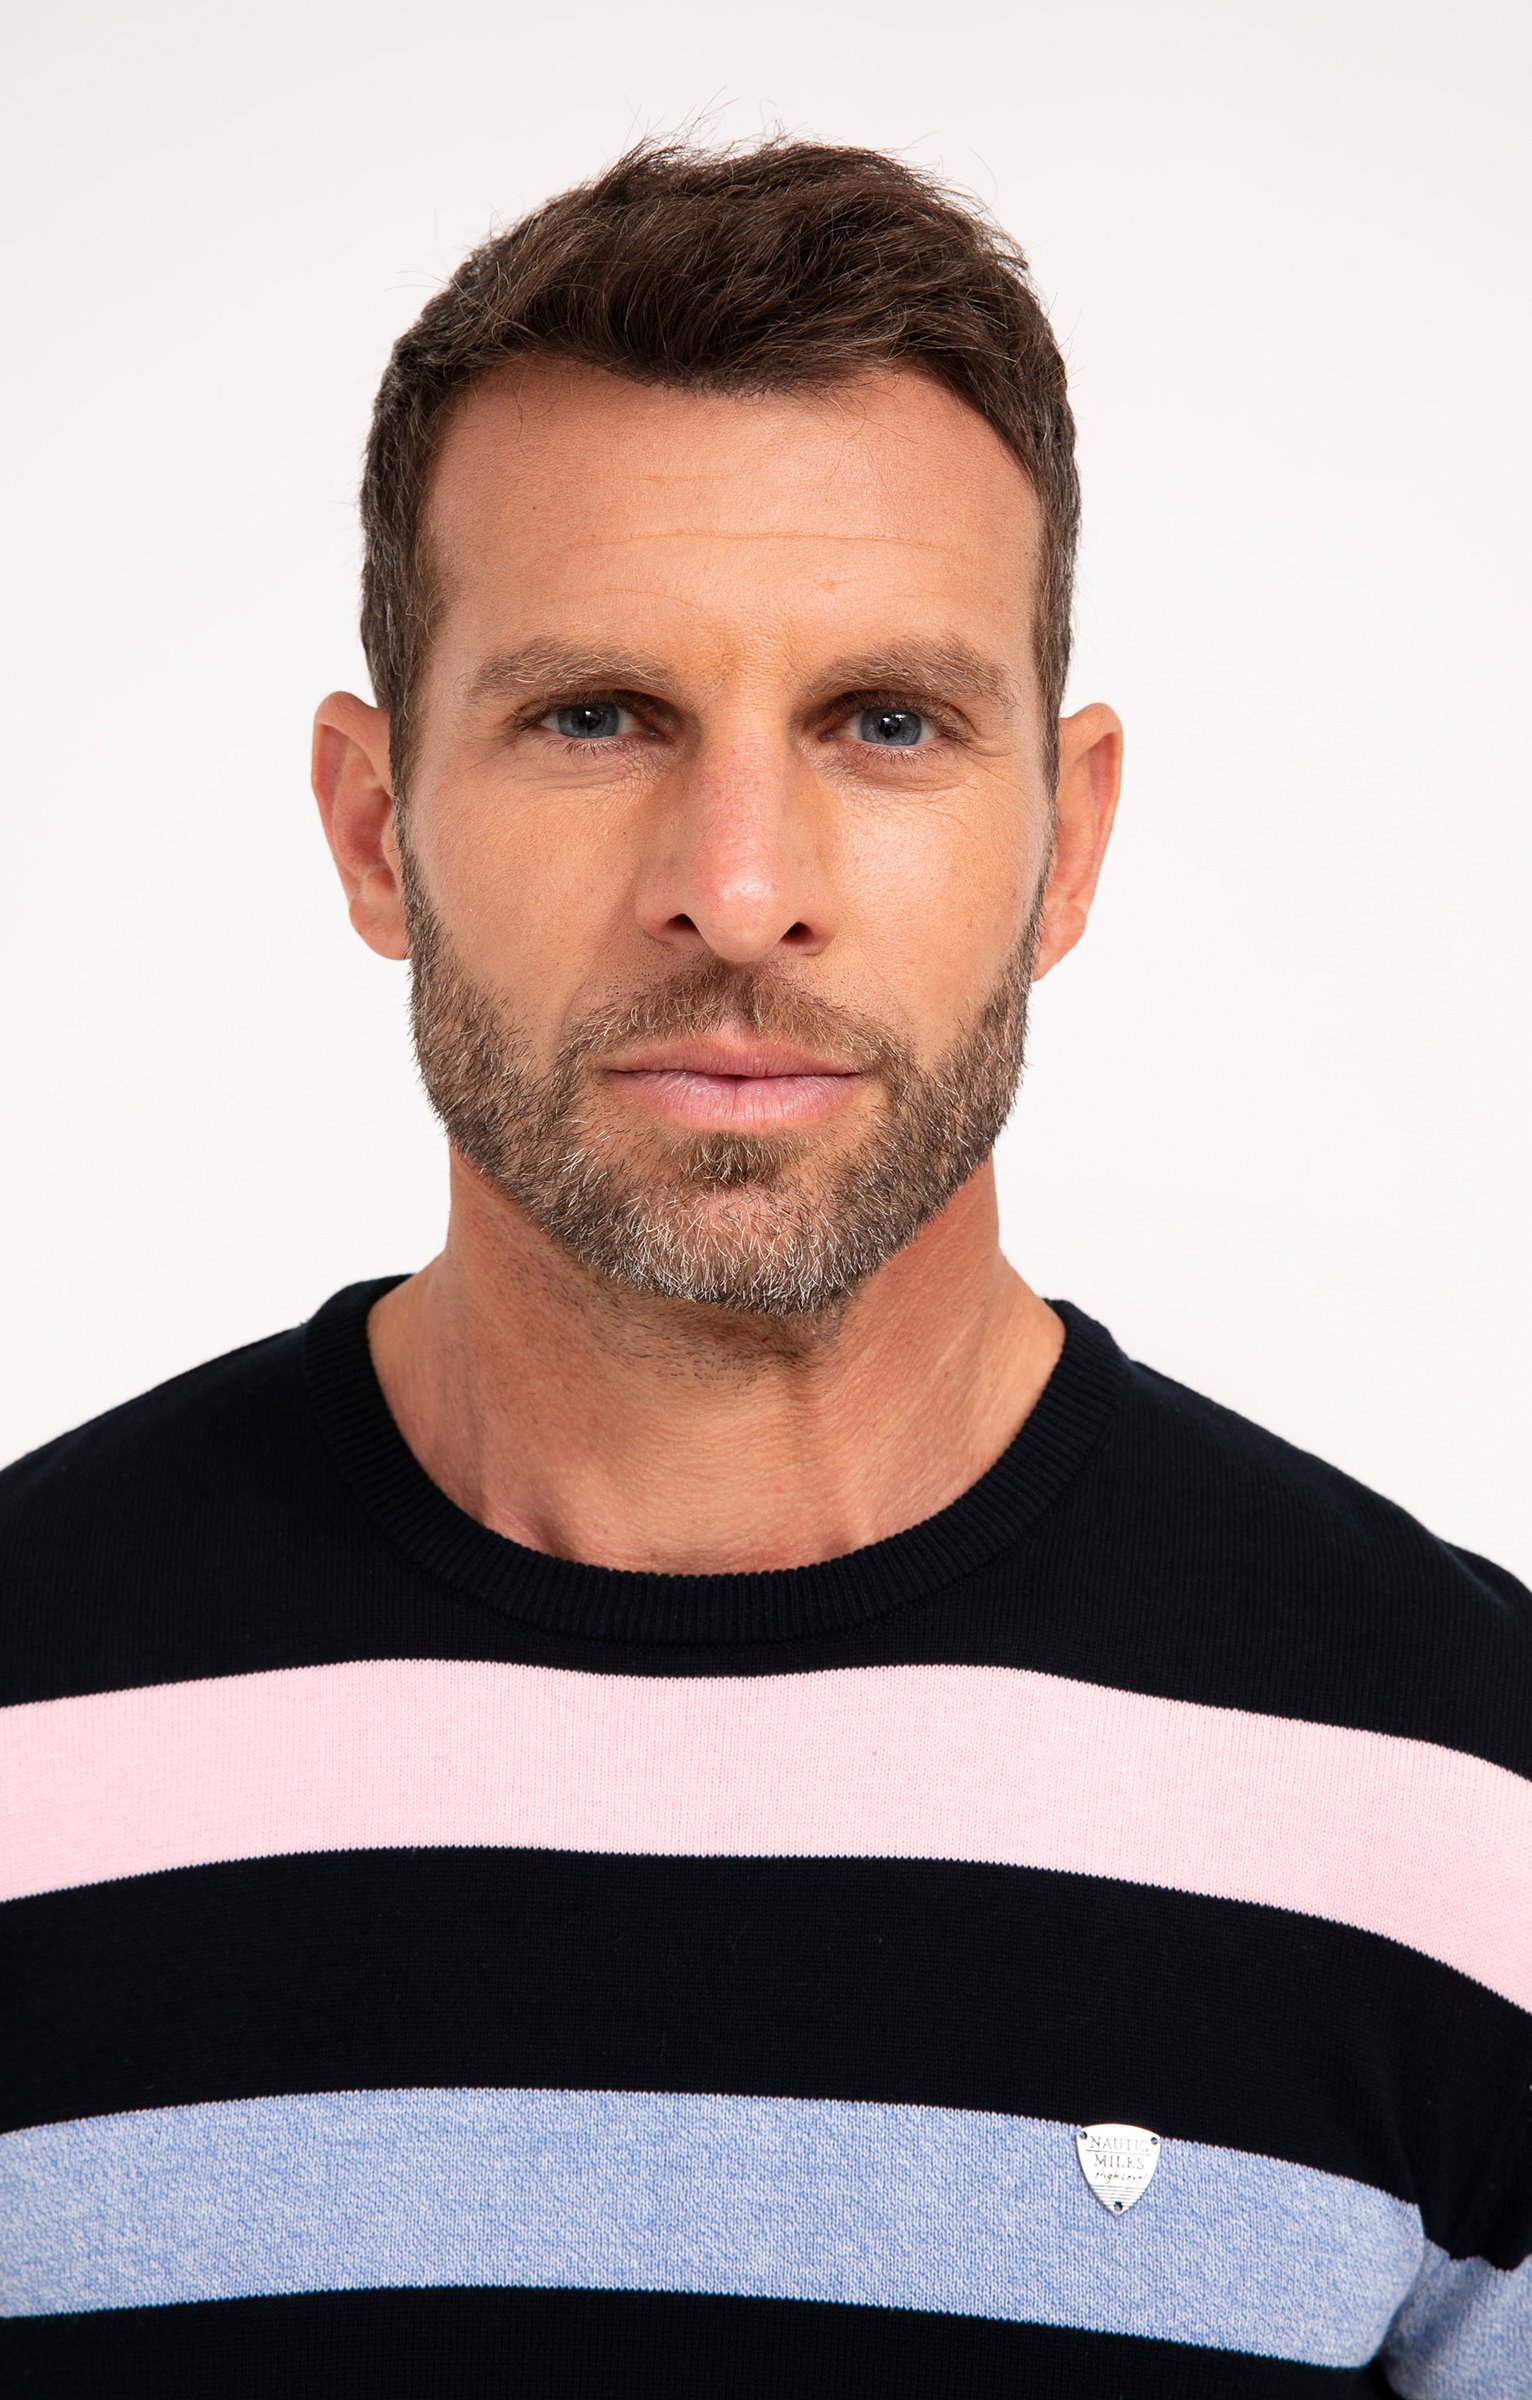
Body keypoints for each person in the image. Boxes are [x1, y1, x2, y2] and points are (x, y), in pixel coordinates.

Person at [1, 138, 1528, 2399]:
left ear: (1068, 843)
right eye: (594, 715)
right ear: (374, 826)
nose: (737, 888)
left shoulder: (1468, 1806)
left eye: (886, 722)